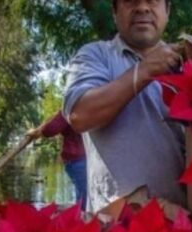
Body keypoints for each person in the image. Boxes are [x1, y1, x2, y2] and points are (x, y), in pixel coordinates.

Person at [63, 0, 185, 213]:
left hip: (184, 228)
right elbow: (80, 115)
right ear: (114, 11)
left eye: (153, 1)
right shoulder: (95, 55)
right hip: (115, 230)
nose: (142, 7)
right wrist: (144, 70)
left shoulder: (189, 66)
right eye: (131, 1)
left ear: (168, 10)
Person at [30, 110, 87, 204]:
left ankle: (82, 215)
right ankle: (82, 215)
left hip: (78, 158)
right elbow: (51, 128)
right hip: (80, 159)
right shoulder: (85, 106)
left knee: (84, 194)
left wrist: (39, 131)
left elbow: (50, 129)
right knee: (85, 193)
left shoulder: (71, 107)